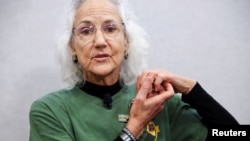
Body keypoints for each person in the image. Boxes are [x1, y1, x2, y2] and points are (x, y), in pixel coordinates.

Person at [29, 0, 239, 140]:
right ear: (72, 47)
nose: (100, 41)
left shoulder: (158, 104)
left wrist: (191, 89)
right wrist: (134, 127)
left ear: (127, 41)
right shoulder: (50, 111)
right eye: (86, 31)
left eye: (111, 29)